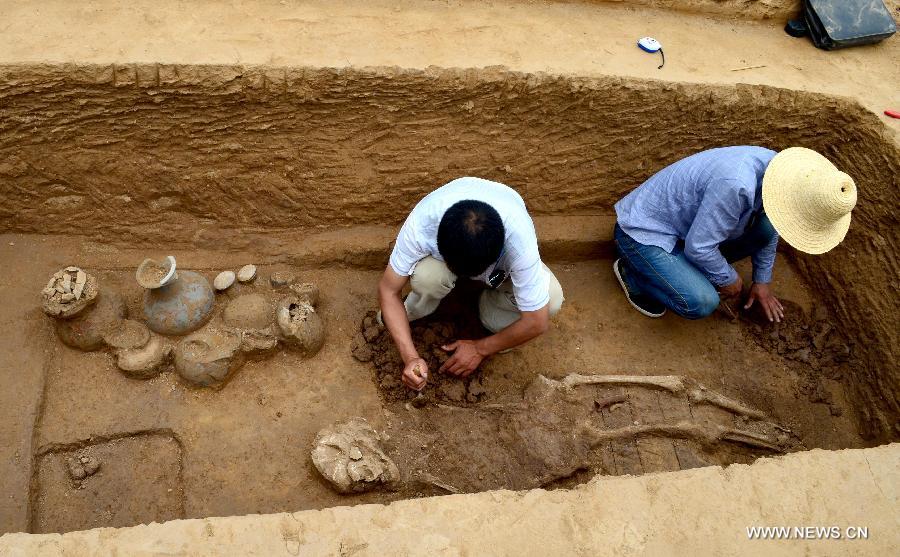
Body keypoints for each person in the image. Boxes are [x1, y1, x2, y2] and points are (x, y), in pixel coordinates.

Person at [612, 146, 857, 321]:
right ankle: (634, 275)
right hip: (644, 234)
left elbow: (772, 226)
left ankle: (681, 270)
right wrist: (729, 279)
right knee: (701, 302)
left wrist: (762, 280)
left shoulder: (783, 177)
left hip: (688, 231)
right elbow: (699, 248)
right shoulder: (735, 185)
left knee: (765, 228)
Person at [378, 177, 564, 391]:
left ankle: (486, 309)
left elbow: (537, 321)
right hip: (447, 261)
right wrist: (410, 357)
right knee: (429, 277)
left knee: (552, 299)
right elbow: (388, 290)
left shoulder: (519, 240)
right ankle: (421, 308)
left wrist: (480, 348)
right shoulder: (424, 225)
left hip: (500, 263)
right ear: (440, 244)